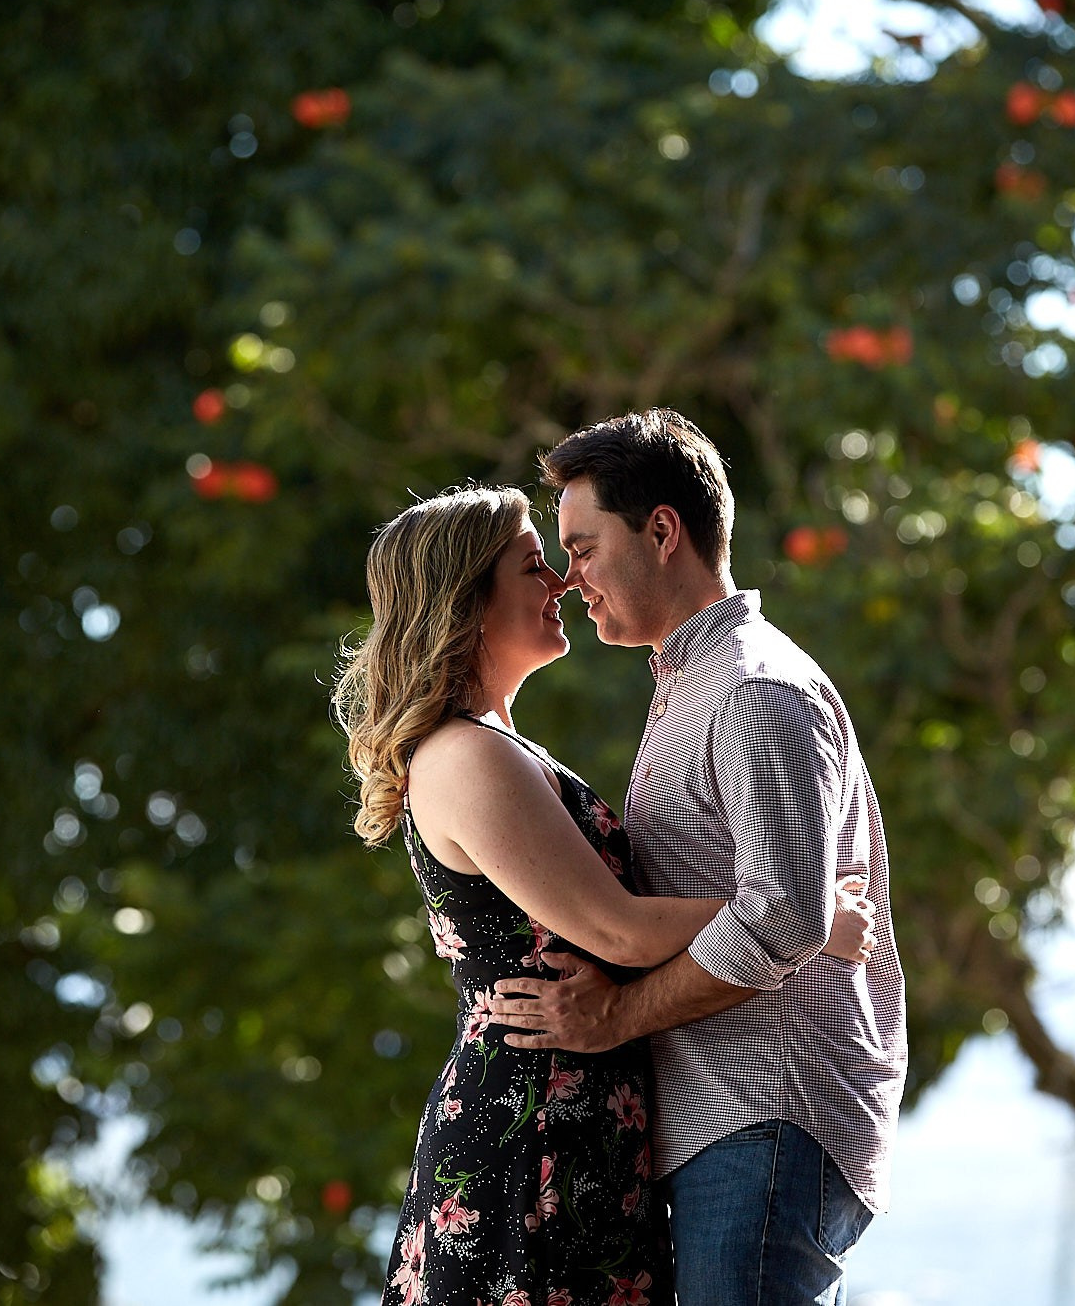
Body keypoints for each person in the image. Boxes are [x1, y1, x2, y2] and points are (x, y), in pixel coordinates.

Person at [333, 484, 876, 1306]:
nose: (558, 583)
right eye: (533, 565)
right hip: (533, 1126)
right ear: (468, 600)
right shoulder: (467, 756)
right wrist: (808, 919)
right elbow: (618, 930)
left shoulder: (496, 747)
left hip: (580, 1114)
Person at [487, 410, 907, 1306]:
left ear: (663, 530)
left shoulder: (753, 688)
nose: (570, 578)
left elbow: (783, 917)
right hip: (728, 1123)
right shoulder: (693, 683)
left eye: (586, 547)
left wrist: (615, 1017)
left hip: (767, 1113)